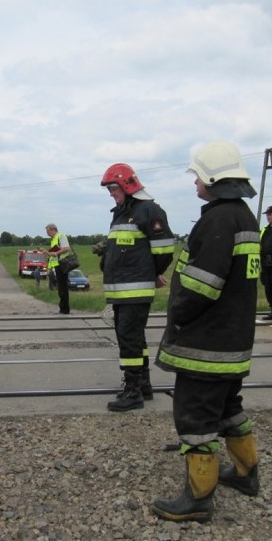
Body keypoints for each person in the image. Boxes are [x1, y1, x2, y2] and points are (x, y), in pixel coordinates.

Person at [152, 140, 261, 523]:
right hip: (232, 340)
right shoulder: (245, 216)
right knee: (229, 408)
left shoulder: (217, 220)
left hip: (206, 346)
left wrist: (178, 315)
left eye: (198, 176)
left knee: (196, 419)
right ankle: (246, 475)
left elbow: (202, 285)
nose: (195, 183)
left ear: (214, 179)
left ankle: (199, 500)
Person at [99, 163, 175, 412]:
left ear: (127, 185)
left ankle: (132, 392)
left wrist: (154, 273)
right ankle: (143, 385)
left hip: (135, 290)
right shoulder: (121, 212)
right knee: (133, 338)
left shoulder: (149, 210)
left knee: (129, 340)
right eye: (109, 189)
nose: (111, 193)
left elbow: (164, 250)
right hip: (122, 291)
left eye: (113, 188)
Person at [40, 224, 72, 314]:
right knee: (60, 288)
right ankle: (62, 308)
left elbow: (67, 248)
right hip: (57, 265)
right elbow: (52, 257)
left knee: (63, 288)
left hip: (62, 264)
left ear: (53, 229)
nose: (47, 233)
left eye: (48, 231)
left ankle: (65, 309)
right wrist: (49, 267)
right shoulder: (53, 239)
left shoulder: (61, 236)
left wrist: (55, 253)